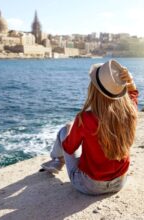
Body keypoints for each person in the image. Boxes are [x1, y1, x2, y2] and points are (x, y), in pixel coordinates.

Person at [41, 59, 138, 195]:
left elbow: (69, 148)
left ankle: (57, 161)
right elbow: (133, 94)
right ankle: (56, 160)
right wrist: (130, 82)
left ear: (93, 89)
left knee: (65, 129)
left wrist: (70, 130)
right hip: (119, 182)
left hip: (91, 185)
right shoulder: (130, 111)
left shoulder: (85, 118)